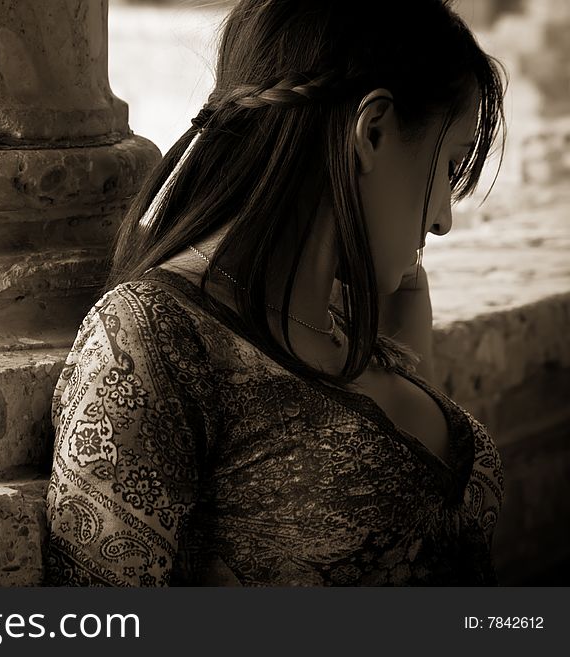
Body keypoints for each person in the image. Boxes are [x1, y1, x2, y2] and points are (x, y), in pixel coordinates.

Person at [43, 0, 506, 586]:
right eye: (449, 165)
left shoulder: (351, 325)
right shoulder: (153, 338)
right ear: (374, 130)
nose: (442, 220)